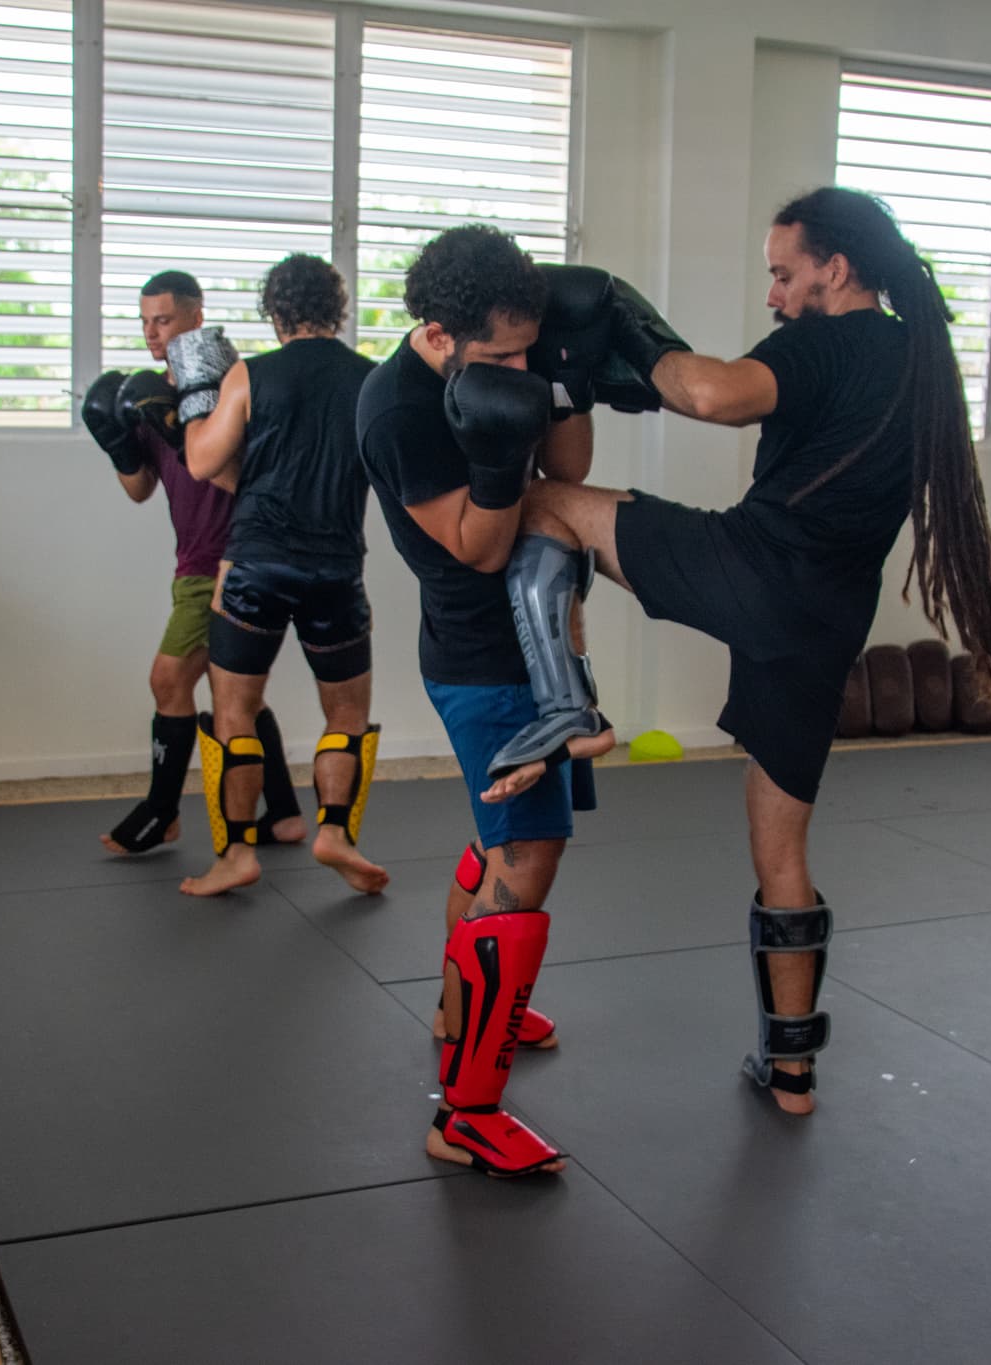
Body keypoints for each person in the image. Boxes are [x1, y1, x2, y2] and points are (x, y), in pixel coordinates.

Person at [490, 187, 991, 1117]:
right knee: (780, 845)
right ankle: (793, 1073)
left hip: (752, 569)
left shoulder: (828, 340)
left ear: (837, 268)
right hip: (825, 619)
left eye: (786, 274)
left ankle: (562, 702)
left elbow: (710, 393)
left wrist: (627, 319)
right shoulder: (920, 362)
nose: (776, 295)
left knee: (546, 507)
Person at [357, 225, 610, 1178]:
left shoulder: (511, 355)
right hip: (483, 657)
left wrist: (561, 379)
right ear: (437, 334)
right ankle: (464, 1112)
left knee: (503, 837)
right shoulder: (396, 410)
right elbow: (478, 545)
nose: (515, 366)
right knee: (525, 859)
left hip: (542, 647)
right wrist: (505, 459)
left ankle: (457, 1004)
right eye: (497, 356)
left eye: (524, 349)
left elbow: (572, 472)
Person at [163, 254, 389, 898]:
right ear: (338, 308)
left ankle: (235, 855)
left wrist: (192, 404)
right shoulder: (372, 382)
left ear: (275, 312)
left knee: (233, 712)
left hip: (253, 567)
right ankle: (336, 834)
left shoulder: (250, 374)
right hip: (337, 569)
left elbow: (204, 461)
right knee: (346, 714)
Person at [79, 270, 304, 858]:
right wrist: (118, 441)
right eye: (146, 322)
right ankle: (281, 811)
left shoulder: (230, 387)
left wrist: (183, 432)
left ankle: (162, 812)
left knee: (169, 678)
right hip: (194, 564)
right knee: (236, 694)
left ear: (196, 318)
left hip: (232, 562)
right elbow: (140, 490)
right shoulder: (149, 393)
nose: (154, 334)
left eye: (166, 320)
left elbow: (257, 482)